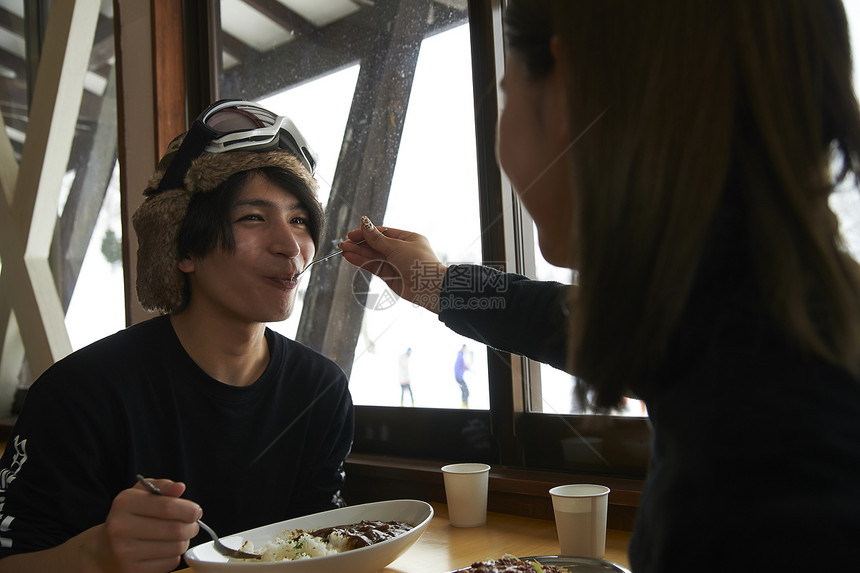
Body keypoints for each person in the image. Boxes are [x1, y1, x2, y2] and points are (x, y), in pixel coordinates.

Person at [340, 1, 860, 570]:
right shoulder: (766, 317)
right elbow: (558, 318)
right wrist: (432, 283)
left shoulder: (760, 468)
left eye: (508, 94)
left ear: (568, 97)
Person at [0, 100, 354, 572]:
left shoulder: (320, 390)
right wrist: (97, 555)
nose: (290, 247)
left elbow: (319, 548)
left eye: (299, 220)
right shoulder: (80, 393)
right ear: (184, 248)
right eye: (253, 217)